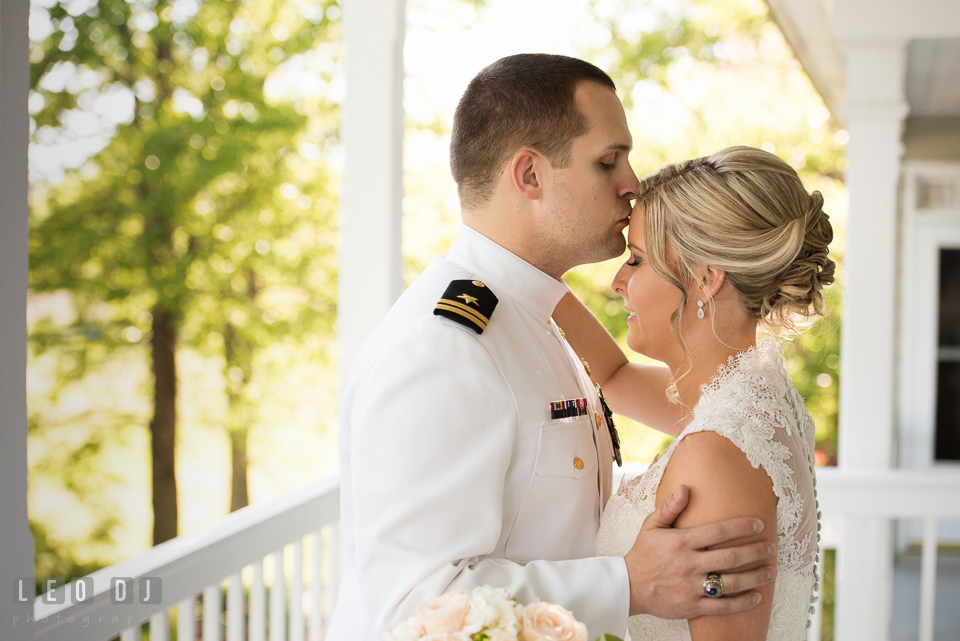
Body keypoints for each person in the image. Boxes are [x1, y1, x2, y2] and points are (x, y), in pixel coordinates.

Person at [327, 56, 776, 641]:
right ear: (531, 176)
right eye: (608, 161)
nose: (632, 183)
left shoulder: (531, 314)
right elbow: (414, 608)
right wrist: (629, 585)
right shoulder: (445, 347)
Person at [553, 145, 835, 640]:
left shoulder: (717, 452)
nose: (618, 281)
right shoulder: (746, 392)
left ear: (705, 279)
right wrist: (520, 272)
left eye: (636, 260)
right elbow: (615, 376)